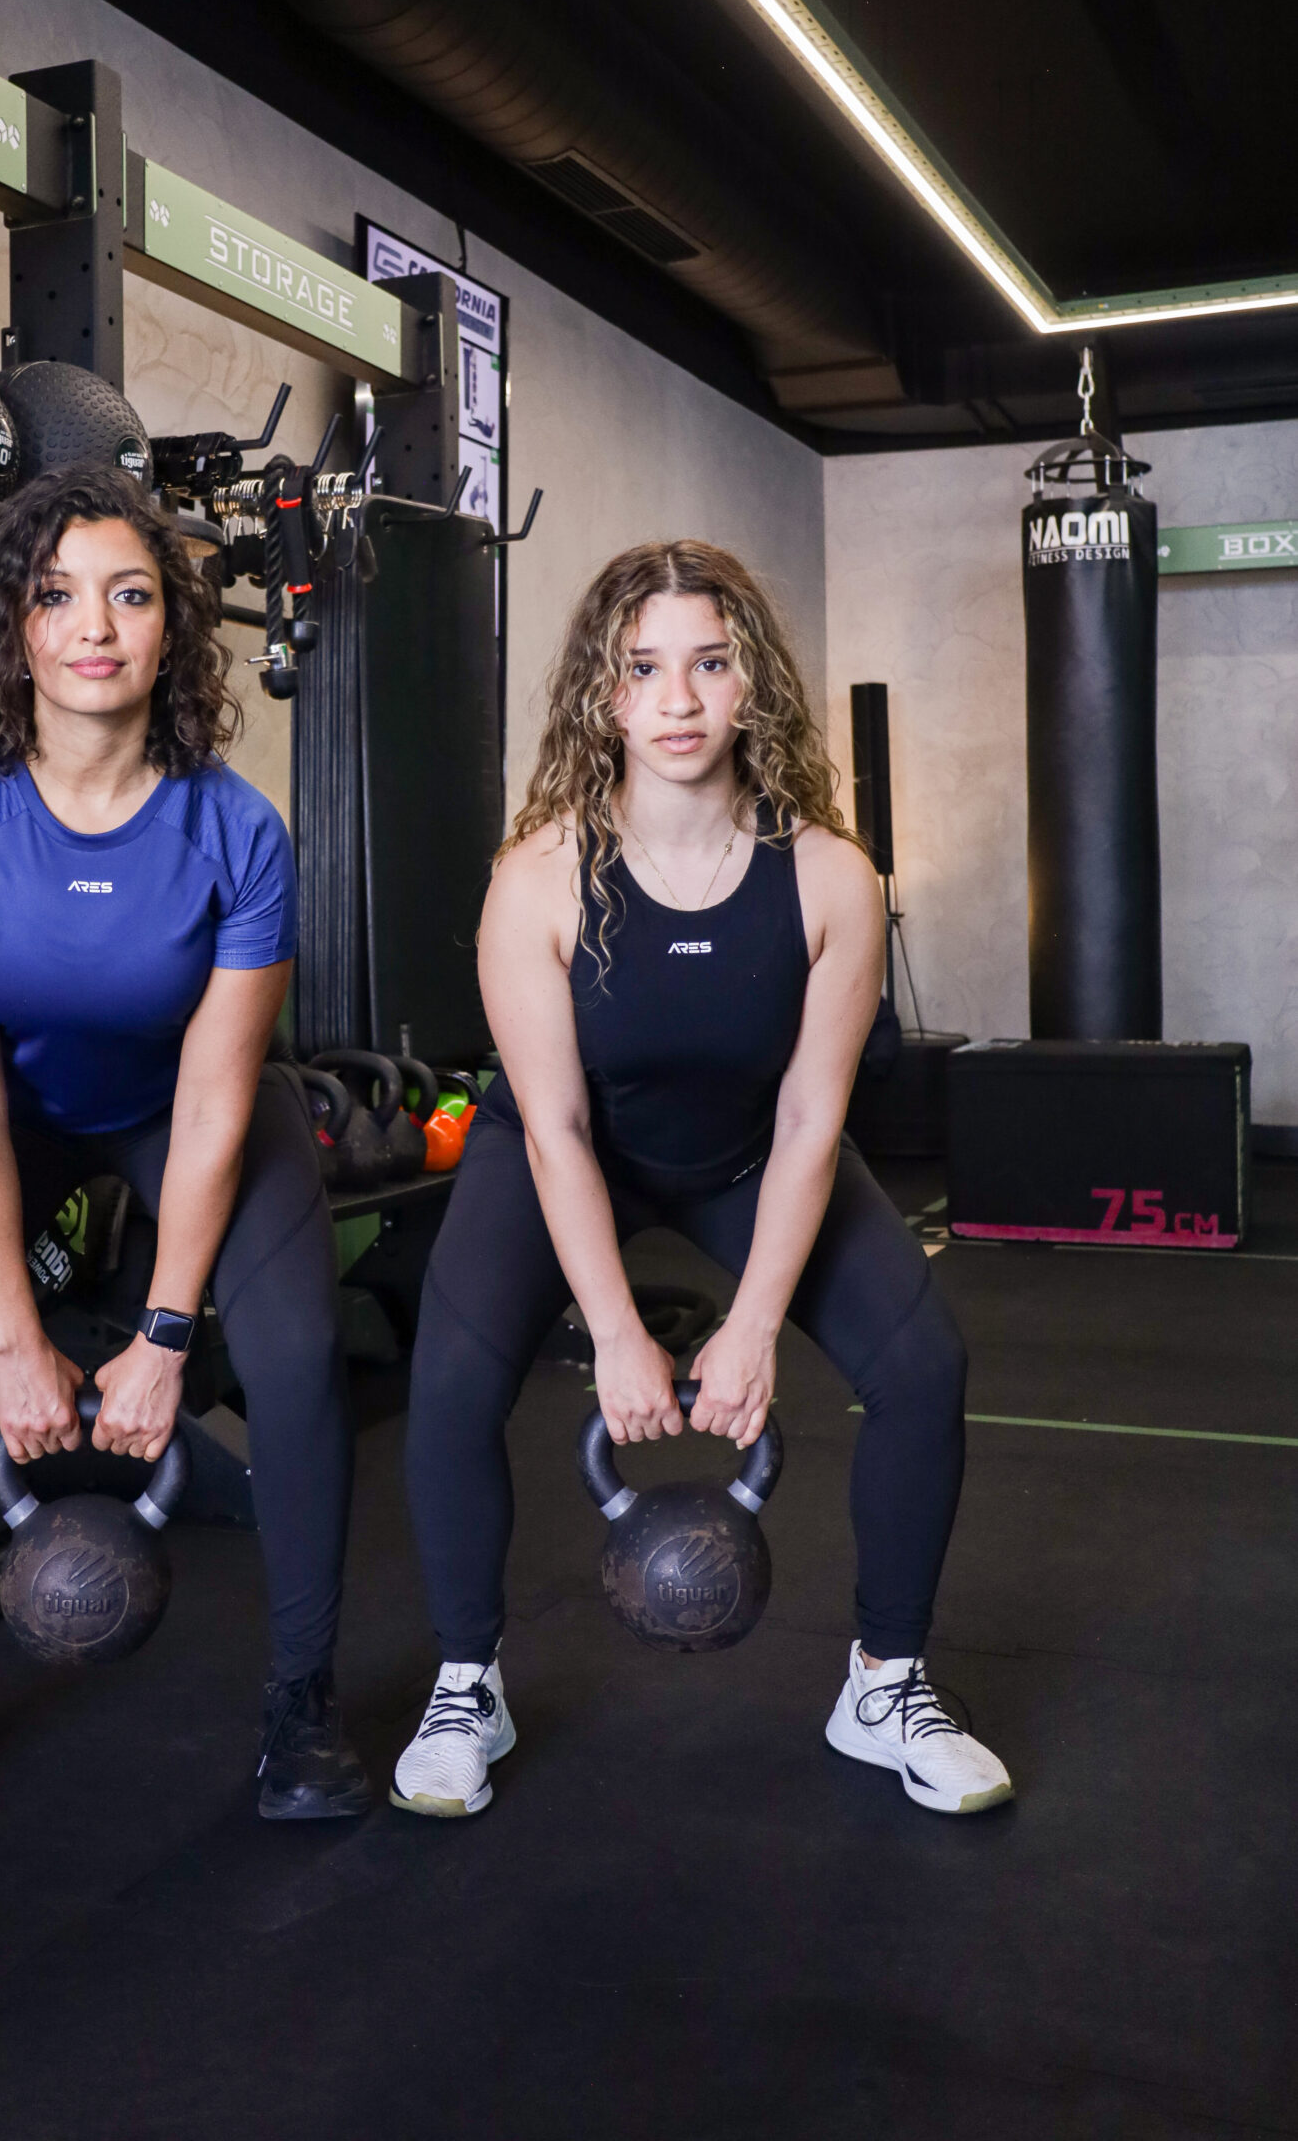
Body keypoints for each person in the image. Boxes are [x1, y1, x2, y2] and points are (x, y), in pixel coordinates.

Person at [391, 540, 1011, 1821]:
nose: (676, 699)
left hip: (750, 1152)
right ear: (602, 693)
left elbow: (811, 1115)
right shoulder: (539, 877)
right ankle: (465, 1683)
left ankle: (886, 1683)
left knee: (923, 1365)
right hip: (566, 1150)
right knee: (449, 1381)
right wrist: (616, 1330)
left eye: (709, 664)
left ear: (751, 684)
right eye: (642, 668)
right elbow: (557, 1125)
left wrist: (753, 1325)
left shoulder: (830, 876)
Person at [0, 464, 370, 1832]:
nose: (95, 628)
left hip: (188, 1104)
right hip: (7, 1107)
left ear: (172, 626)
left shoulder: (236, 828)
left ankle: (303, 1700)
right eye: (57, 597)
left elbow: (218, 1097)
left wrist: (166, 1337)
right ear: (13, 626)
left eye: (130, 595)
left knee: (297, 1355)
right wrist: (14, 1339)